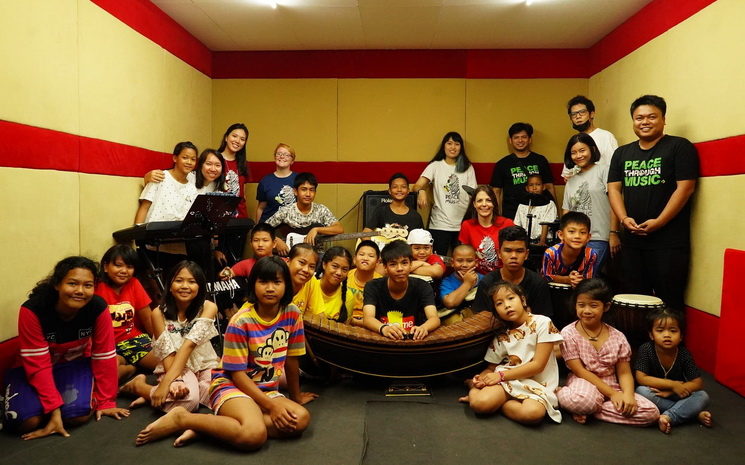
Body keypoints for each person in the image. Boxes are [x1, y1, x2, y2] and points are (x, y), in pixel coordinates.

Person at [135, 256, 317, 449]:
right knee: (254, 435)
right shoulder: (240, 321)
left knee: (300, 419)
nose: (270, 288)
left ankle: (215, 427)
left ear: (286, 285)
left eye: (277, 282)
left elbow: (291, 359)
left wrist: (295, 399)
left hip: (265, 387)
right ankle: (183, 419)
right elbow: (237, 375)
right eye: (263, 282)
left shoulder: (292, 313)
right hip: (232, 385)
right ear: (253, 285)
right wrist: (272, 406)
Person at [3, 257, 129, 440]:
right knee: (25, 422)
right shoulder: (33, 310)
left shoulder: (98, 308)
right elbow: (38, 365)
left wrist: (106, 401)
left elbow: (104, 356)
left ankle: (125, 371)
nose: (80, 291)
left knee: (78, 415)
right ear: (57, 284)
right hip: (31, 369)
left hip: (73, 365)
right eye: (72, 283)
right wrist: (54, 411)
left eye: (88, 285)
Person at [608, 95, 699, 312]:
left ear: (664, 119)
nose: (645, 122)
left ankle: (672, 347)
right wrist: (623, 219)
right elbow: (613, 189)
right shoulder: (622, 153)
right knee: (635, 301)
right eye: (639, 118)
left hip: (669, 243)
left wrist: (659, 221)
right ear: (633, 121)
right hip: (632, 242)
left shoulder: (679, 147)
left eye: (652, 117)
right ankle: (640, 346)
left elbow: (685, 188)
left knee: (670, 301)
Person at [119, 261, 219, 423]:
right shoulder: (158, 314)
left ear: (200, 286)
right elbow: (167, 353)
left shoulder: (209, 307)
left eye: (192, 281)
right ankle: (140, 387)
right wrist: (173, 381)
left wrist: (164, 386)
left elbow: (189, 345)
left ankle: (147, 392)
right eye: (179, 280)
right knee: (191, 402)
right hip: (174, 366)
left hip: (205, 364)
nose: (185, 286)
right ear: (169, 285)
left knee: (218, 395)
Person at [557, 278, 659, 426]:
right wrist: (613, 395)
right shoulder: (568, 333)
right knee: (584, 400)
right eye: (581, 305)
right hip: (583, 383)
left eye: (593, 306)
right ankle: (561, 394)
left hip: (611, 384)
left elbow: (624, 373)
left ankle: (590, 411)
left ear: (606, 307)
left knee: (651, 412)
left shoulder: (618, 337)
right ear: (575, 305)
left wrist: (628, 396)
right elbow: (580, 371)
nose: (586, 311)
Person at [459, 281, 563, 424]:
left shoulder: (542, 323)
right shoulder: (502, 336)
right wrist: (481, 380)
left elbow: (538, 365)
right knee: (479, 404)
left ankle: (498, 404)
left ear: (523, 300)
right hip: (507, 380)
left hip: (536, 385)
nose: (507, 305)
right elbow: (491, 368)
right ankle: (475, 389)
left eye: (511, 298)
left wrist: (500, 375)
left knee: (533, 414)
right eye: (499, 303)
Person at [635, 307, 712, 434]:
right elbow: (641, 378)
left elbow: (697, 383)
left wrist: (672, 391)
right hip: (656, 392)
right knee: (641, 391)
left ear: (681, 336)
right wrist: (672, 384)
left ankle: (668, 416)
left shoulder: (683, 354)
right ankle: (693, 414)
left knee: (703, 396)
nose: (667, 335)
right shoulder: (646, 349)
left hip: (677, 394)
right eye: (660, 330)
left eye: (673, 331)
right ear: (651, 335)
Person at [95, 245, 157, 381]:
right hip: (108, 346)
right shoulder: (96, 287)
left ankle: (136, 363)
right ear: (105, 267)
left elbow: (148, 318)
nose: (124, 271)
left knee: (167, 364)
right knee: (107, 376)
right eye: (118, 265)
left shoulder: (134, 284)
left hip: (134, 341)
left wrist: (160, 344)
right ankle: (133, 367)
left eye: (129, 267)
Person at [562, 134, 620, 272]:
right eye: (573, 152)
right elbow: (567, 212)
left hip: (598, 237)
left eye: (582, 150)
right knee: (575, 279)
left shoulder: (604, 170)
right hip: (574, 240)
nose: (578, 155)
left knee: (585, 277)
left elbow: (615, 203)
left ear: (592, 150)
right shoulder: (571, 180)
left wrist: (613, 233)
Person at [413, 131, 477, 255]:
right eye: (449, 143)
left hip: (463, 224)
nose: (453, 147)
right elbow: (416, 186)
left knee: (463, 263)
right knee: (437, 262)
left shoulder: (468, 167)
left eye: (457, 144)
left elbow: (473, 194)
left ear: (461, 148)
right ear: (444, 146)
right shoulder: (435, 166)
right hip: (439, 224)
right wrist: (421, 191)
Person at [362, 241, 440, 340]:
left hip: (413, 341)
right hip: (382, 340)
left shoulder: (422, 286)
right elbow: (368, 318)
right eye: (393, 264)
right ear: (385, 267)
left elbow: (434, 318)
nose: (400, 269)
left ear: (411, 264)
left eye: (404, 263)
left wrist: (424, 328)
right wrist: (383, 328)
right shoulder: (372, 286)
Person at [472, 226, 552, 317]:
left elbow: (543, 322)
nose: (513, 256)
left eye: (519, 251)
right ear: (499, 254)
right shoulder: (487, 282)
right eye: (508, 251)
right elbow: (481, 319)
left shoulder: (538, 283)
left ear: (526, 254)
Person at [490, 123, 556, 220]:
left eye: (524, 137)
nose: (520, 140)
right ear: (510, 140)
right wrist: (496, 216)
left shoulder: (540, 160)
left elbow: (549, 187)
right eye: (516, 137)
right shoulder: (502, 164)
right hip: (511, 215)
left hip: (540, 215)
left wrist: (555, 213)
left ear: (530, 139)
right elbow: (496, 191)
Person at [266, 172, 344, 255]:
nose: (308, 194)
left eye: (312, 190)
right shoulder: (286, 211)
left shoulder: (321, 210)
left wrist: (316, 230)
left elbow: (339, 228)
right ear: (295, 191)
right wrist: (276, 240)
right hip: (292, 256)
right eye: (304, 189)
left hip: (317, 255)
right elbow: (263, 229)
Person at [459, 185, 515, 274]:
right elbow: (465, 256)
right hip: (477, 276)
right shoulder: (467, 225)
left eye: (488, 200)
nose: (484, 204)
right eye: (479, 201)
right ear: (474, 204)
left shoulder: (507, 224)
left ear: (494, 203)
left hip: (503, 275)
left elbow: (513, 254)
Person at [562, 95, 619, 180]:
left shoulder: (605, 136)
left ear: (591, 114)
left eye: (582, 112)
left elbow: (615, 168)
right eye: (573, 114)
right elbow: (567, 174)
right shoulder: (574, 140)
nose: (578, 116)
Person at [541, 211, 598, 288]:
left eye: (583, 232)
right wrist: (567, 279)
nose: (577, 236)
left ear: (588, 237)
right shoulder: (551, 253)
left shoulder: (591, 254)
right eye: (571, 231)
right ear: (561, 235)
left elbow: (589, 279)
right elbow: (546, 276)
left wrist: (579, 279)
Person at [303, 246, 354, 323]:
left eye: (344, 269)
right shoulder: (310, 285)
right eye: (335, 266)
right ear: (324, 264)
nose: (339, 273)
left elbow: (345, 328)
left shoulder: (348, 296)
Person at [255, 143, 298, 223]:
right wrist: (258, 228)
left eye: (286, 155)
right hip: (269, 226)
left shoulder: (299, 179)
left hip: (293, 226)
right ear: (275, 157)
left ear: (292, 160)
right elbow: (261, 208)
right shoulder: (265, 181)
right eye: (279, 154)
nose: (282, 157)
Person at [439, 244, 483, 321]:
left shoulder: (484, 279)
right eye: (459, 261)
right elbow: (450, 303)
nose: (464, 265)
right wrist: (467, 283)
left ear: (476, 263)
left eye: (469, 261)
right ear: (452, 263)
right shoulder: (447, 282)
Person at [514, 174, 557, 246]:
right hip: (526, 241)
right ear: (527, 188)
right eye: (531, 185)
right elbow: (518, 225)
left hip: (545, 240)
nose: (534, 188)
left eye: (538, 184)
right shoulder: (522, 205)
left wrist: (542, 241)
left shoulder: (549, 204)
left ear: (543, 187)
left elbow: (546, 224)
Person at [347, 240, 382, 327]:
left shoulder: (381, 283)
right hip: (345, 321)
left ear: (377, 262)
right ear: (354, 259)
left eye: (370, 256)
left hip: (373, 325)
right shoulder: (345, 276)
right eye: (361, 254)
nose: (365, 258)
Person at [287, 243, 319, 314]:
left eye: (312, 267)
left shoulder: (311, 281)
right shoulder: (276, 279)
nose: (306, 270)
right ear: (288, 262)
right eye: (302, 262)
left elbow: (318, 315)